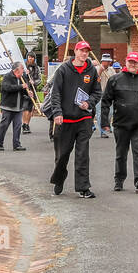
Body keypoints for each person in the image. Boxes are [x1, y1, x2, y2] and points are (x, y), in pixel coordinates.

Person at [45, 41, 102, 197]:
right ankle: (59, 180)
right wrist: (57, 113)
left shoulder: (91, 71)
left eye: (87, 51)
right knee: (62, 155)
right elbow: (55, 93)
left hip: (83, 119)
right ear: (75, 51)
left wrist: (88, 103)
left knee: (82, 154)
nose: (84, 54)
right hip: (65, 120)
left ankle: (83, 188)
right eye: (82, 51)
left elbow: (97, 92)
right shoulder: (63, 69)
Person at [102, 53, 138, 193]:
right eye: (130, 62)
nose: (132, 64)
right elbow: (106, 101)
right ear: (126, 62)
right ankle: (119, 179)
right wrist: (104, 122)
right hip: (121, 124)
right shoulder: (115, 80)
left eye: (135, 62)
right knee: (121, 154)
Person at [0, 63, 27, 152]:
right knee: (4, 125)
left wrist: (27, 93)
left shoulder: (22, 78)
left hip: (18, 107)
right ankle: (0, 143)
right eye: (22, 68)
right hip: (8, 106)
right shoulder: (7, 77)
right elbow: (7, 88)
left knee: (17, 126)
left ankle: (16, 145)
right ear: (17, 70)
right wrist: (21, 86)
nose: (23, 70)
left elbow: (22, 90)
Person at [21, 54, 41, 133]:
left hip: (33, 90)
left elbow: (39, 79)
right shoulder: (23, 67)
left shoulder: (37, 68)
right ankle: (24, 124)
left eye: (32, 57)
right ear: (27, 58)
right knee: (25, 108)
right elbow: (19, 76)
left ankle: (27, 124)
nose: (31, 59)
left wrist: (34, 82)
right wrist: (24, 73)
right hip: (25, 90)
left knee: (30, 108)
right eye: (29, 57)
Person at [98, 53, 114, 138]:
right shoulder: (97, 68)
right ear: (102, 61)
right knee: (101, 113)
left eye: (109, 61)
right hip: (100, 94)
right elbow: (95, 81)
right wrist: (100, 72)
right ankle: (102, 131)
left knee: (110, 113)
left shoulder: (111, 70)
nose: (108, 63)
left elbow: (115, 80)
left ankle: (107, 125)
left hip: (109, 94)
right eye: (106, 61)